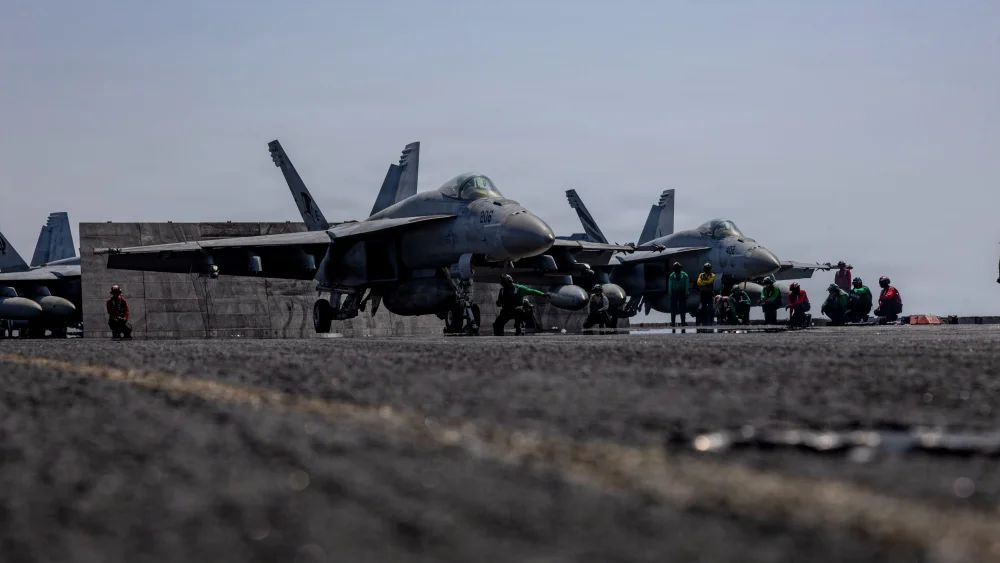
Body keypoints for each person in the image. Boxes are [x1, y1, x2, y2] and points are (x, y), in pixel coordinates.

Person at [667, 262, 690, 327]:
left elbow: (686, 285)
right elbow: (670, 285)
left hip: (682, 293)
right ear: (674, 269)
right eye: (676, 268)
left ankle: (683, 322)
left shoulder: (684, 275)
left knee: (682, 308)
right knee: (673, 308)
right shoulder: (672, 276)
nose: (678, 269)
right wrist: (670, 294)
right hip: (674, 293)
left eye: (679, 268)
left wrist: (686, 293)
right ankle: (673, 322)